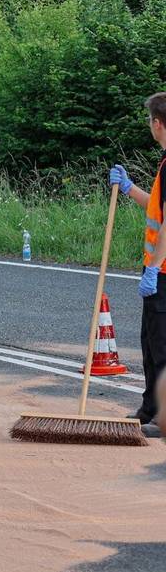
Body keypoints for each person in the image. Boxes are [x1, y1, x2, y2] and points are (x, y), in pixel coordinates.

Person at [109, 91, 166, 438]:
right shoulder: (164, 163)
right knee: (150, 342)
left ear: (157, 123)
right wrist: (129, 188)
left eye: (149, 120)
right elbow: (156, 208)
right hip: (158, 271)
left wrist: (153, 268)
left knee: (162, 348)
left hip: (163, 272)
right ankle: (150, 409)